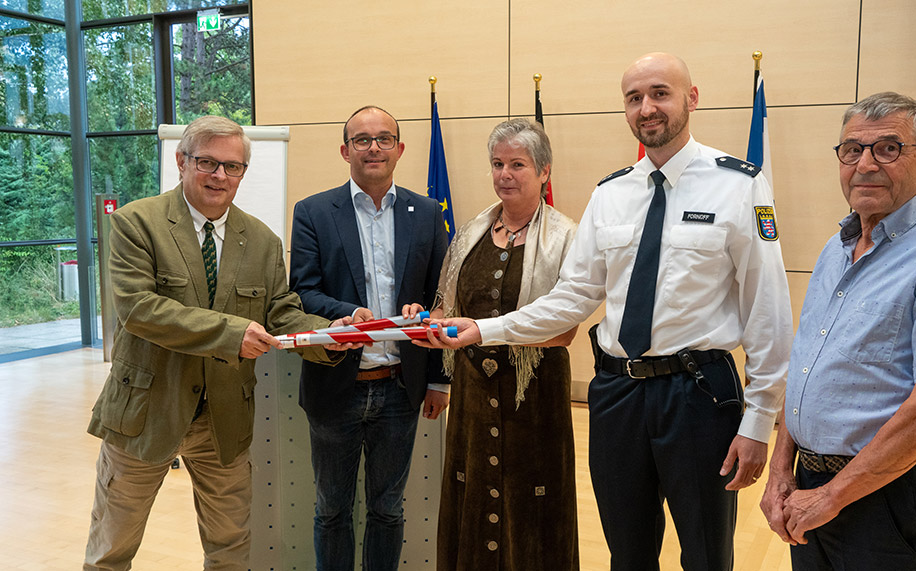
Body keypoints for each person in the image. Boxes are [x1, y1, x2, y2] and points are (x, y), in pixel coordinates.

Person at [426, 53, 793, 571]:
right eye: (634, 97)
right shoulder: (611, 193)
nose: (647, 108)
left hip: (698, 394)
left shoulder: (739, 185)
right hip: (618, 395)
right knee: (627, 550)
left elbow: (768, 309)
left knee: (708, 555)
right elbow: (573, 296)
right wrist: (483, 329)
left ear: (692, 98)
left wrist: (759, 419)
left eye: (660, 93)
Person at [84, 115, 349, 571]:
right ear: (181, 161)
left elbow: (280, 312)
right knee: (112, 546)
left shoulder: (263, 241)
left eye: (233, 167)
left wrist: (329, 333)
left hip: (223, 417)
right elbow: (138, 309)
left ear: (244, 172)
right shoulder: (136, 223)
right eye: (208, 162)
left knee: (229, 548)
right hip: (145, 412)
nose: (220, 176)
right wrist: (231, 334)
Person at [759, 92, 916, 570]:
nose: (865, 164)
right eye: (851, 149)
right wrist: (781, 467)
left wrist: (832, 497)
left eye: (888, 148)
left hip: (886, 497)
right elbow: (807, 364)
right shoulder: (836, 246)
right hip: (811, 484)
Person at [407, 118, 579, 570]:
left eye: (517, 164)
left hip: (534, 397)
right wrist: (427, 325)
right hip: (472, 395)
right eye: (498, 163)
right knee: (471, 493)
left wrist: (483, 329)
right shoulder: (469, 233)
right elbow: (445, 310)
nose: (505, 173)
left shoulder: (566, 236)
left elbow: (563, 331)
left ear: (544, 171)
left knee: (534, 504)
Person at [289, 105, 450, 571]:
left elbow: (441, 297)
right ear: (345, 151)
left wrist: (439, 379)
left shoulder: (427, 213)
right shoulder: (314, 212)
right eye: (361, 139)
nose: (373, 147)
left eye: (384, 138)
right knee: (332, 510)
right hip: (335, 386)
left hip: (401, 387)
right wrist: (347, 314)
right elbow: (302, 292)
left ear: (400, 148)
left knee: (387, 509)